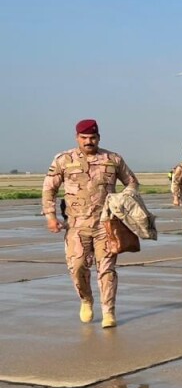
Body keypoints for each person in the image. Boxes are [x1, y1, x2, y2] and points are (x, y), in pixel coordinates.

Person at [41, 119, 139, 328]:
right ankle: (86, 300)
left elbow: (131, 181)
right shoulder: (63, 160)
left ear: (98, 138)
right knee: (77, 268)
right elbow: (49, 188)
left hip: (106, 226)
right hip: (76, 227)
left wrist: (123, 199)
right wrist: (50, 216)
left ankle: (108, 312)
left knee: (106, 270)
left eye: (92, 138)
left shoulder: (112, 159)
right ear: (77, 138)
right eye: (84, 138)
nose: (88, 142)